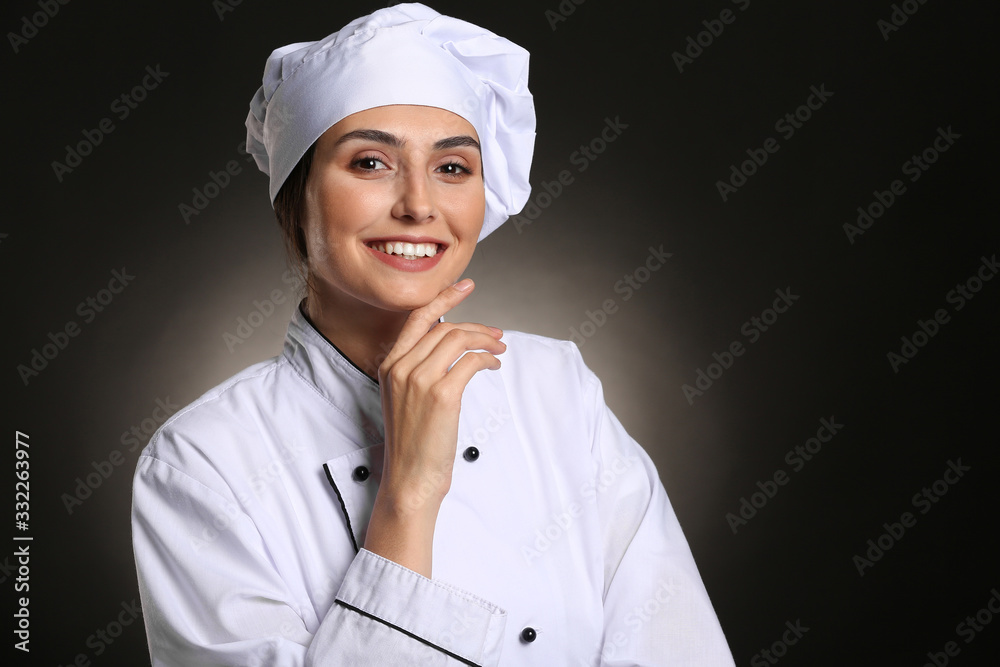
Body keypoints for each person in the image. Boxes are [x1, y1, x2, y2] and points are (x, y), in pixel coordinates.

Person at [131, 4, 736, 665]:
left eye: (452, 167)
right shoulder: (202, 461)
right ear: (294, 194)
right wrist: (408, 492)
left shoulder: (557, 389)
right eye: (370, 162)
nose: (419, 204)